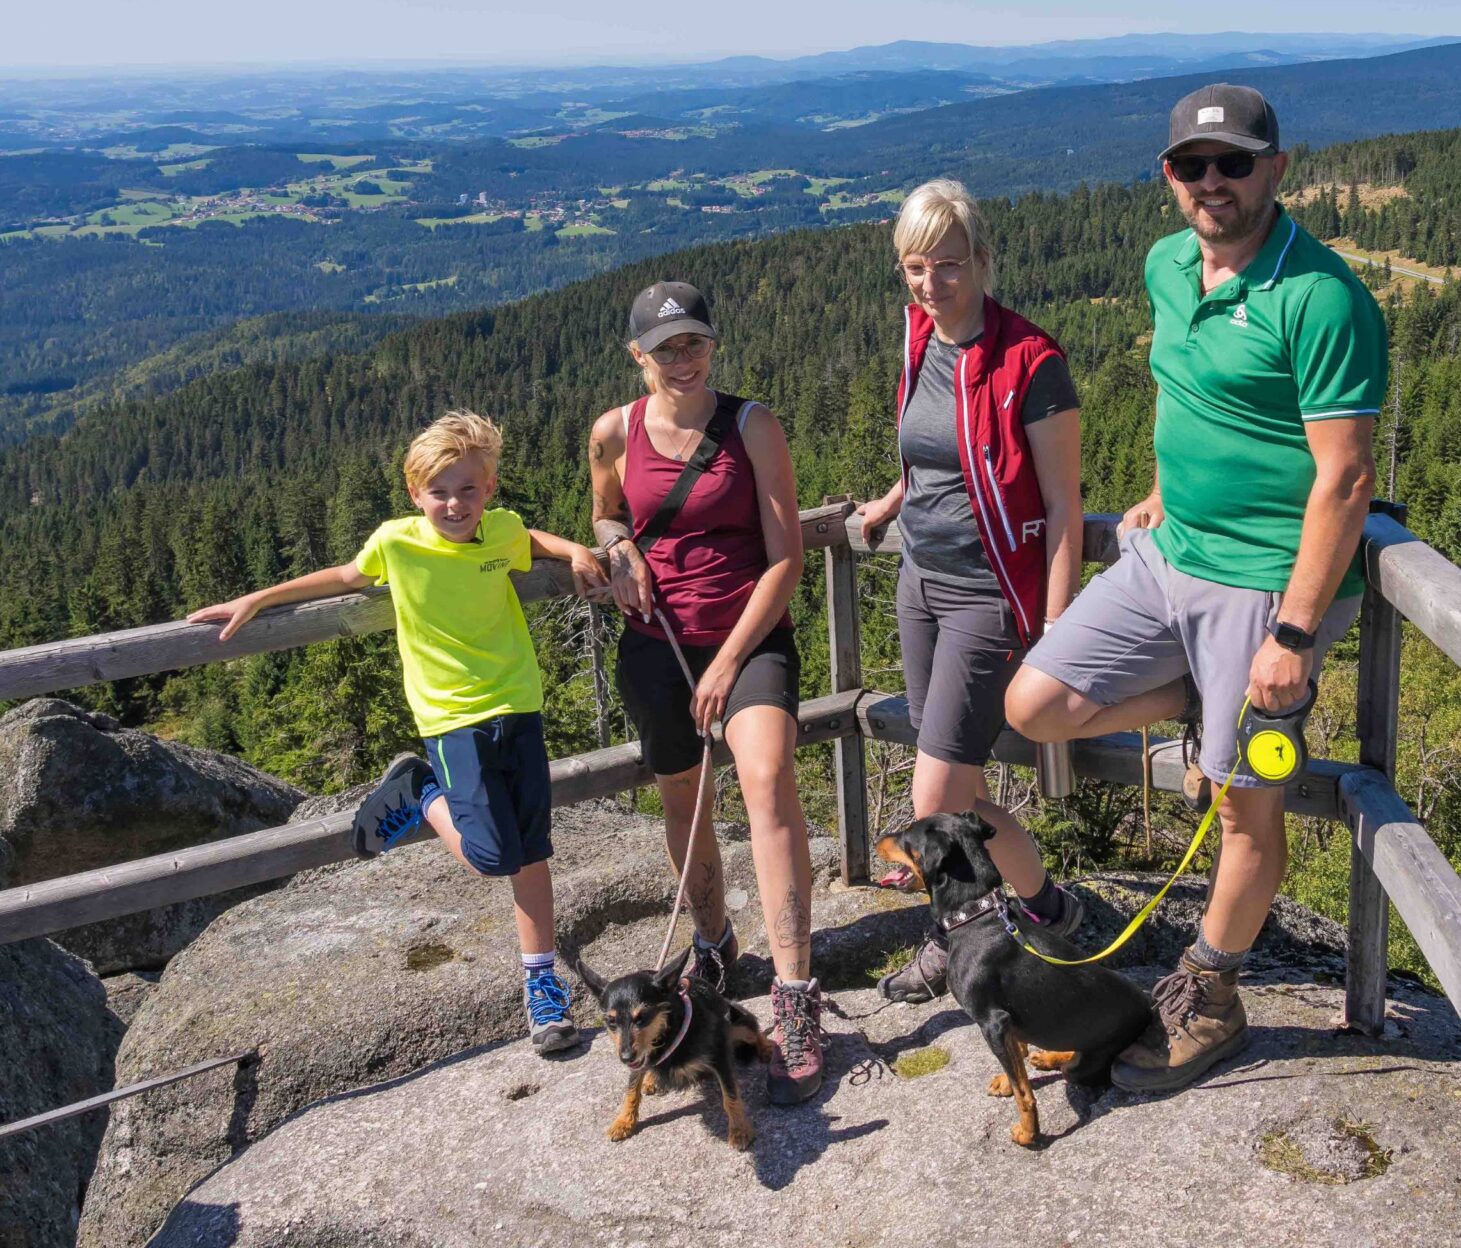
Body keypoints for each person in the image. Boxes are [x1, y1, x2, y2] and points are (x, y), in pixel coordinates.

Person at [1005, 84, 1389, 1093]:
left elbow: (1345, 479)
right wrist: (1162, 487)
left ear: (1277, 168)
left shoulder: (1322, 296)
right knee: (1036, 706)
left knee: (1241, 805)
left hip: (1265, 591)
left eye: (1234, 163)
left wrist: (1294, 638)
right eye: (1191, 165)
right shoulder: (1167, 264)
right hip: (1168, 556)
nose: (1212, 182)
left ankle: (1212, 995)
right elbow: (1183, 387)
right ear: (1167, 176)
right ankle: (1197, 702)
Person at [187, 409, 609, 1055]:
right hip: (452, 720)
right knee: (494, 856)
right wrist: (260, 598)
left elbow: (532, 540)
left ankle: (541, 986)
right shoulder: (397, 542)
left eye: (468, 488)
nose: (454, 503)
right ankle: (420, 792)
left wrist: (576, 548)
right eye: (438, 491)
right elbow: (343, 577)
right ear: (415, 495)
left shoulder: (502, 530)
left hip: (519, 706)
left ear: (489, 490)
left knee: (532, 852)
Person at [586, 282, 828, 1105]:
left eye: (694, 343)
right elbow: (607, 515)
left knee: (765, 781)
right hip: (657, 648)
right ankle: (715, 943)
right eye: (665, 349)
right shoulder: (613, 433)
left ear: (712, 343)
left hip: (749, 640)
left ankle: (795, 997)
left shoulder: (753, 427)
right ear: (637, 357)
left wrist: (728, 661)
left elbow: (787, 556)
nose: (683, 361)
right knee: (683, 802)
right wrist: (618, 548)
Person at [852, 179, 1088, 1005]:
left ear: (985, 262)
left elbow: (1063, 506)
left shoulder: (1033, 363)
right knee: (962, 791)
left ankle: (948, 943)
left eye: (948, 265)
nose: (930, 284)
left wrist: (1057, 623)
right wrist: (893, 497)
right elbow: (933, 452)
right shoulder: (922, 338)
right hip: (921, 585)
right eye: (915, 267)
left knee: (934, 799)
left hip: (990, 600)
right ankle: (1049, 908)